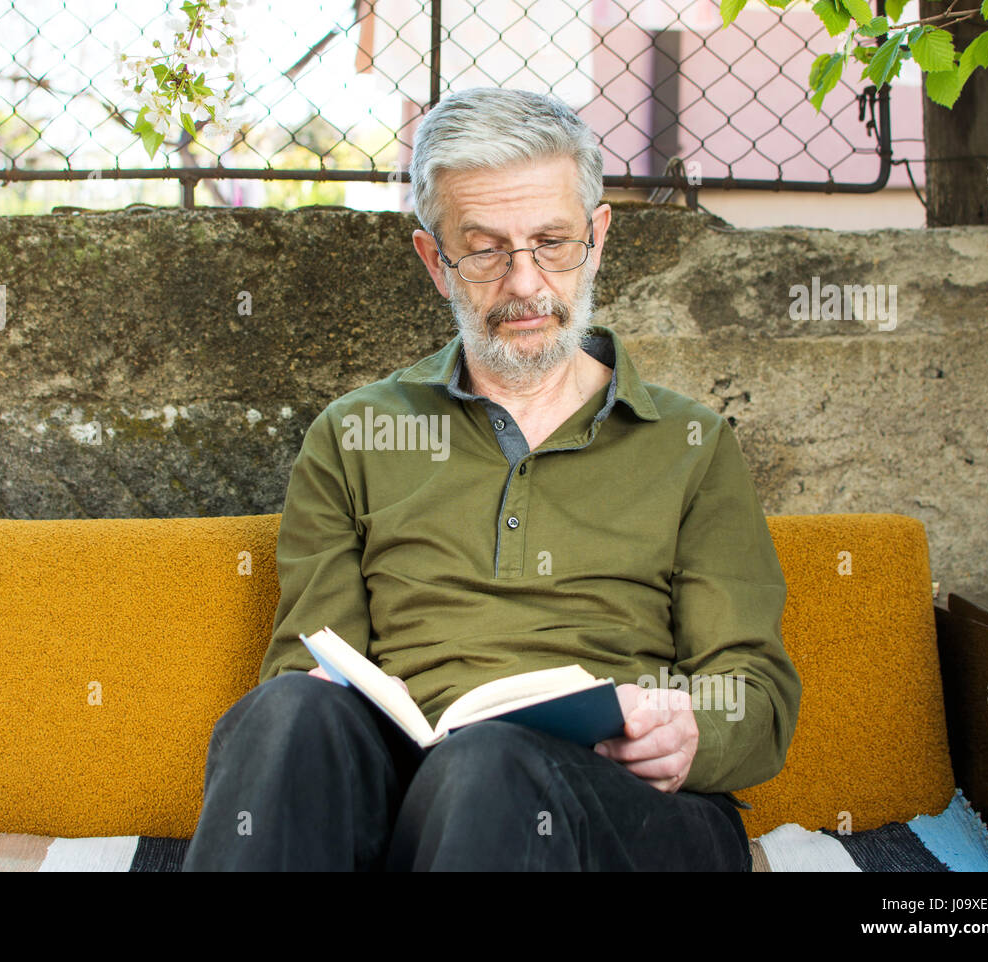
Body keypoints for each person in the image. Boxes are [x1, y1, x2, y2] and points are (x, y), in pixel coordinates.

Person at [181, 87, 801, 871]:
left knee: (492, 764)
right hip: (418, 803)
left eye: (551, 242)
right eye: (484, 250)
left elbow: (756, 689)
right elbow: (308, 670)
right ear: (434, 261)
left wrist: (691, 732)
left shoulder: (691, 443)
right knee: (287, 712)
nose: (524, 284)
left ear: (598, 239)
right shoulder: (354, 435)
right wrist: (313, 701)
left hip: (623, 812)